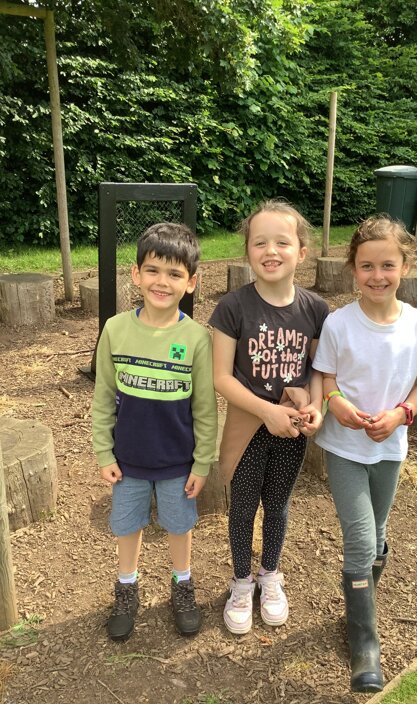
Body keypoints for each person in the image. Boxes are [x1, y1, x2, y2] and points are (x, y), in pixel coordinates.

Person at [312, 215, 417, 692]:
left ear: (405, 266)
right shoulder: (338, 323)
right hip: (344, 446)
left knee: (379, 532)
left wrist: (401, 414)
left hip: (390, 446)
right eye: (366, 266)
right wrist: (335, 403)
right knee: (361, 538)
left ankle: (357, 608)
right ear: (353, 269)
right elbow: (326, 376)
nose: (377, 275)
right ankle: (365, 644)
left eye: (388, 265)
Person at [92, 222, 217, 642]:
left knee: (179, 525)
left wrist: (202, 463)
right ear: (136, 274)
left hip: (178, 462)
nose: (162, 282)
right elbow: (103, 396)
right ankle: (127, 587)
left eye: (174, 274)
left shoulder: (196, 338)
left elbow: (205, 408)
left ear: (191, 282)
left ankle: (182, 584)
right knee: (128, 525)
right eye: (153, 270)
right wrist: (104, 452)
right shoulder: (115, 329)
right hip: (127, 460)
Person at [209, 200, 329, 635]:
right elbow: (221, 376)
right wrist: (266, 411)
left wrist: (316, 407)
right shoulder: (233, 307)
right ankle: (242, 582)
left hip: (291, 429)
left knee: (277, 506)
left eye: (282, 242)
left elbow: (319, 369)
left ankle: (270, 575)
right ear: (247, 251)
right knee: (242, 508)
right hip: (249, 427)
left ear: (302, 251)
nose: (271, 251)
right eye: (259, 242)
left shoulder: (315, 309)